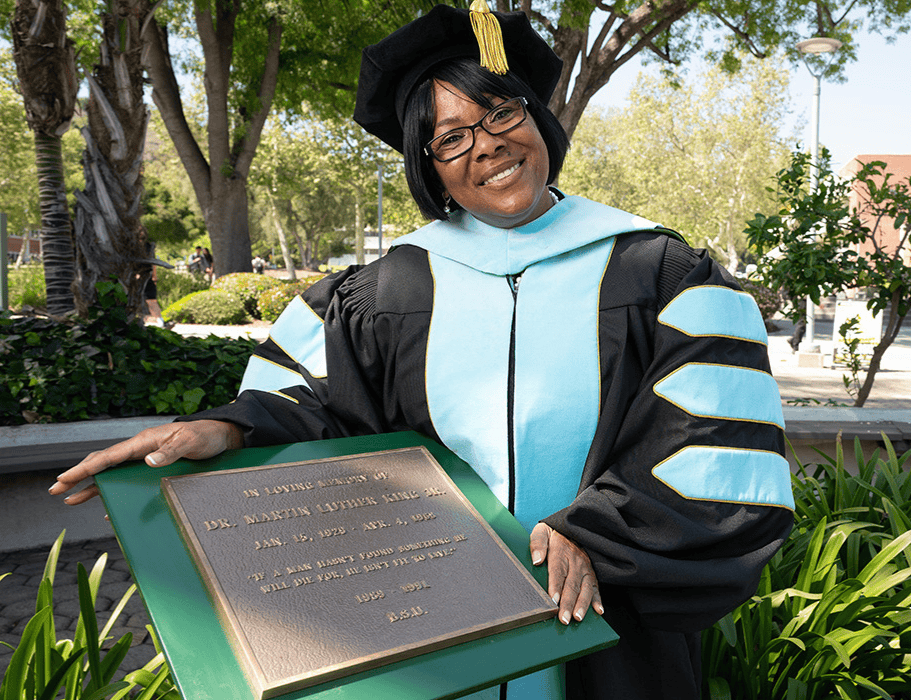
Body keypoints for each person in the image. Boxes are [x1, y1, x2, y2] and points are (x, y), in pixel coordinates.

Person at [50, 4, 793, 699]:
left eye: (501, 111)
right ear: (428, 165)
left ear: (535, 116)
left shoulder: (661, 272)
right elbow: (323, 416)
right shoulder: (379, 294)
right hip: (428, 640)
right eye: (451, 136)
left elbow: (713, 440)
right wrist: (235, 427)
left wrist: (594, 533)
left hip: (609, 635)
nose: (488, 143)